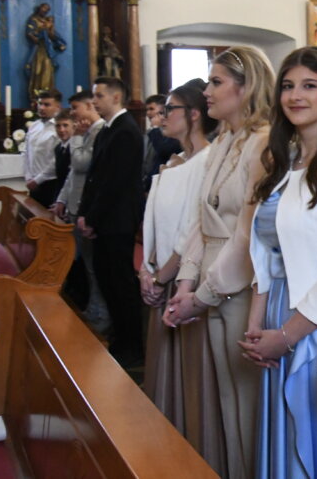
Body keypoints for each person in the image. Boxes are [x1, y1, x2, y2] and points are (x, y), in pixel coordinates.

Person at [237, 47, 317, 478]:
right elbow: (266, 251)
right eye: (288, 86)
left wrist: (288, 336)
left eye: (310, 86)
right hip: (276, 313)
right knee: (279, 438)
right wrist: (256, 325)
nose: (295, 96)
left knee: (308, 438)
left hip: (314, 323)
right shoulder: (283, 162)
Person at [165, 46, 275, 479]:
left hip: (237, 286)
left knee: (244, 404)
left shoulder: (264, 143)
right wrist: (185, 282)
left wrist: (205, 293)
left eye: (216, 82)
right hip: (208, 285)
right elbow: (202, 219)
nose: (207, 92)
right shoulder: (225, 141)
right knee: (221, 400)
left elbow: (247, 234)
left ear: (245, 88)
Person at [140, 79, 226, 472]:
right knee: (162, 372)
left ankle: (188, 459)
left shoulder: (206, 162)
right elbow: (154, 222)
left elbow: (193, 229)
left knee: (187, 380)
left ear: (193, 115)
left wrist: (163, 278)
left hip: (181, 280)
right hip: (160, 276)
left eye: (169, 109)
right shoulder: (175, 161)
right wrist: (146, 269)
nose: (161, 117)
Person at [77, 77, 145, 368]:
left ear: (116, 97)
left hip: (117, 221)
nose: (94, 101)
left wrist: (93, 218)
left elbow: (114, 183)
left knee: (121, 284)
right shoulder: (108, 129)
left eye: (99, 96)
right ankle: (120, 337)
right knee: (107, 280)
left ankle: (133, 346)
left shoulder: (126, 131)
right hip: (104, 220)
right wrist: (85, 214)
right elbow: (94, 177)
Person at [53, 90, 109, 332]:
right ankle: (92, 309)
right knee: (86, 266)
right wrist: (62, 199)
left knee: (94, 267)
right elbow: (72, 174)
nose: (73, 113)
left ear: (89, 107)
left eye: (76, 108)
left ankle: (100, 315)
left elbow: (80, 163)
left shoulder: (98, 132)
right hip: (76, 205)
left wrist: (76, 137)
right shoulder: (88, 132)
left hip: (87, 208)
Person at [24, 89, 63, 207]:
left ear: (58, 107)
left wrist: (38, 179)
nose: (41, 108)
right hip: (32, 181)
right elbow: (27, 153)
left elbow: (57, 159)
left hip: (50, 182)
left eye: (47, 105)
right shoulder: (34, 126)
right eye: (40, 104)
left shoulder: (60, 128)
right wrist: (28, 176)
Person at [24, 3, 67, 101]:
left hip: (47, 50)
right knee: (37, 70)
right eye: (44, 8)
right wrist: (37, 38)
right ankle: (36, 94)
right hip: (38, 49)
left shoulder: (47, 22)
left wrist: (50, 32)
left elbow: (54, 36)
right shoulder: (34, 19)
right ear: (39, 8)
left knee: (47, 70)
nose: (45, 11)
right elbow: (29, 33)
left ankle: (47, 93)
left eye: (47, 10)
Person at [143, 93, 182, 192]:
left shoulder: (170, 133)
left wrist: (156, 128)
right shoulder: (150, 132)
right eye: (147, 110)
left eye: (152, 109)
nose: (148, 113)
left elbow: (164, 150)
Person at [52, 109, 74, 203]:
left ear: (73, 126)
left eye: (65, 125)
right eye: (58, 126)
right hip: (60, 194)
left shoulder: (76, 147)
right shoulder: (58, 148)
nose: (61, 130)